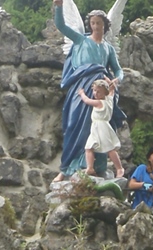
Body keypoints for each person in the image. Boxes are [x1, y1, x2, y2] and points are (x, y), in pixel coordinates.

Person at [52, 0, 126, 181]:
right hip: (81, 88)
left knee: (98, 128)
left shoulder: (108, 48)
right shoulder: (80, 39)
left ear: (105, 25)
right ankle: (68, 167)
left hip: (101, 90)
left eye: (98, 23)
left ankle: (95, 167)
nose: (95, 26)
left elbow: (117, 69)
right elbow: (61, 25)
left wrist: (117, 79)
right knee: (73, 125)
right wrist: (59, 6)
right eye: (92, 23)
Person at [78, 79, 124, 177]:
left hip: (101, 127)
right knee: (88, 147)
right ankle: (90, 168)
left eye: (99, 92)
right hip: (96, 128)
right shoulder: (109, 99)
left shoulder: (99, 102)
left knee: (110, 148)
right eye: (94, 91)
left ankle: (119, 168)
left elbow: (86, 100)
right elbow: (112, 90)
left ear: (104, 92)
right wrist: (110, 82)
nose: (96, 93)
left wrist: (82, 93)